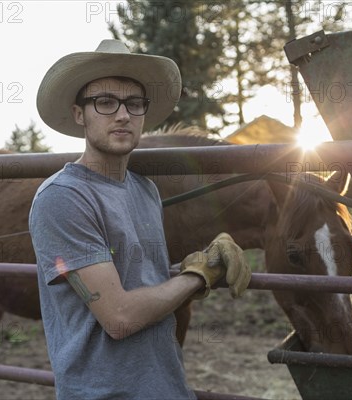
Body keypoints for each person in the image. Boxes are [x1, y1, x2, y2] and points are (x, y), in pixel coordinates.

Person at [29, 39, 252, 400]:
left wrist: (196, 264)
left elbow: (143, 280)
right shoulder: (63, 197)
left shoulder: (145, 190)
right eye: (104, 102)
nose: (122, 115)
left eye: (134, 104)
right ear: (78, 114)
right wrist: (198, 274)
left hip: (166, 387)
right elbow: (119, 317)